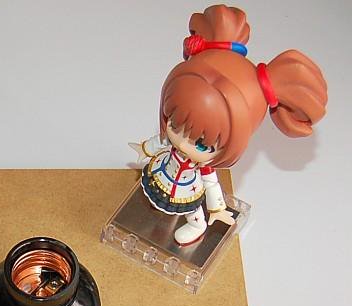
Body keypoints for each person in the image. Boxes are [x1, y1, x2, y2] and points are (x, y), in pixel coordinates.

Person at [130, 4, 327, 245]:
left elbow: (211, 185)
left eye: (202, 144)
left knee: (193, 210)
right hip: (164, 174)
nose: (182, 142)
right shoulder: (173, 145)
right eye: (174, 122)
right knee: (158, 193)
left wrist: (217, 209)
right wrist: (146, 148)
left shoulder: (203, 169)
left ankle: (198, 225)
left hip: (188, 189)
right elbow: (160, 141)